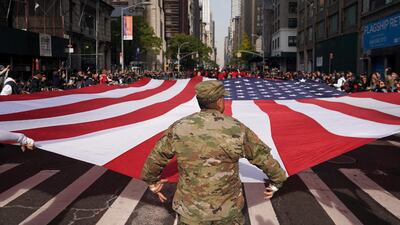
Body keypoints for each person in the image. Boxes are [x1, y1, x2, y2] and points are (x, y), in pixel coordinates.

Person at [141, 80, 287, 225]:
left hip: (190, 213)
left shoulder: (179, 127)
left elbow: (155, 158)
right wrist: (276, 182)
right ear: (219, 101)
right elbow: (262, 157)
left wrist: (152, 183)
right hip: (228, 212)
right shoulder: (237, 128)